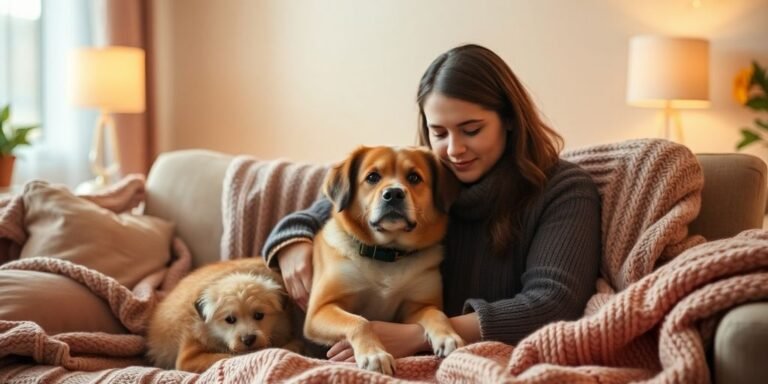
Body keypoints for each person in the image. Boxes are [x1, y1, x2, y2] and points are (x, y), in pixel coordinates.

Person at [261, 44, 601, 362]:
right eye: (439, 132)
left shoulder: (562, 189)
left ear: (509, 120)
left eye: (471, 130)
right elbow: (330, 208)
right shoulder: (423, 175)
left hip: (449, 348)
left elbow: (553, 303)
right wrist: (292, 240)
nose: (454, 149)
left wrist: (420, 335)